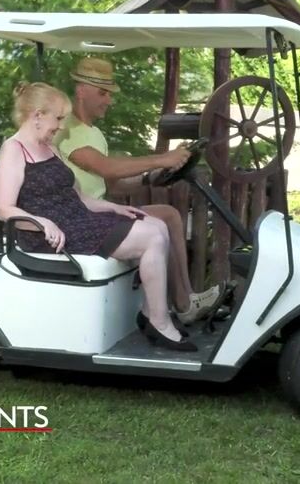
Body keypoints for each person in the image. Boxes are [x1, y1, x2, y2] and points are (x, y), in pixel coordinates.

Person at [0, 82, 196, 352]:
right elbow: (5, 208)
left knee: (157, 225)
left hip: (76, 222)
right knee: (151, 237)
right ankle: (158, 322)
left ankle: (153, 313)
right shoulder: (14, 149)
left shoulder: (49, 148)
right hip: (48, 236)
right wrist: (42, 222)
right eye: (58, 118)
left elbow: (78, 197)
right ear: (37, 115)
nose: (61, 126)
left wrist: (113, 208)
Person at [55, 57, 220, 325]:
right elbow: (107, 167)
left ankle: (186, 301)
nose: (109, 100)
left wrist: (150, 178)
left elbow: (113, 184)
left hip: (100, 210)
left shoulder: (94, 133)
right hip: (83, 217)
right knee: (160, 224)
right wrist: (162, 159)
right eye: (103, 93)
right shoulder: (69, 130)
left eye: (109, 94)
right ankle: (177, 306)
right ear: (81, 90)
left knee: (168, 214)